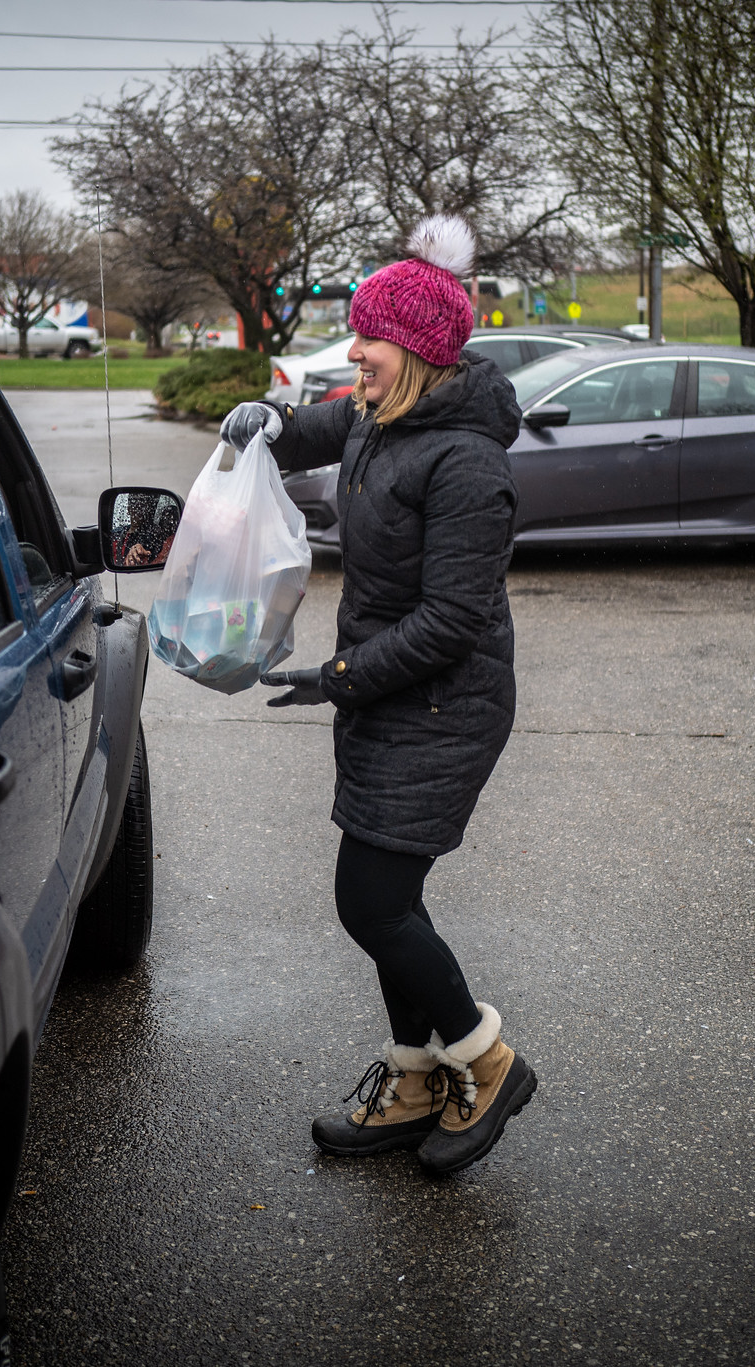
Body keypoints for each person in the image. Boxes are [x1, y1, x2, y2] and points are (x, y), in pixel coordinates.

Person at [218, 215, 536, 1177]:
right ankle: (412, 1081)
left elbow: (449, 623)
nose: (351, 351)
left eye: (368, 338)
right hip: (385, 698)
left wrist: (336, 679)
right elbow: (315, 426)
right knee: (387, 899)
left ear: (420, 352)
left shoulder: (468, 465)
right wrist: (265, 423)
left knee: (374, 901)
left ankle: (485, 1061)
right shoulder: (380, 416)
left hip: (442, 705)